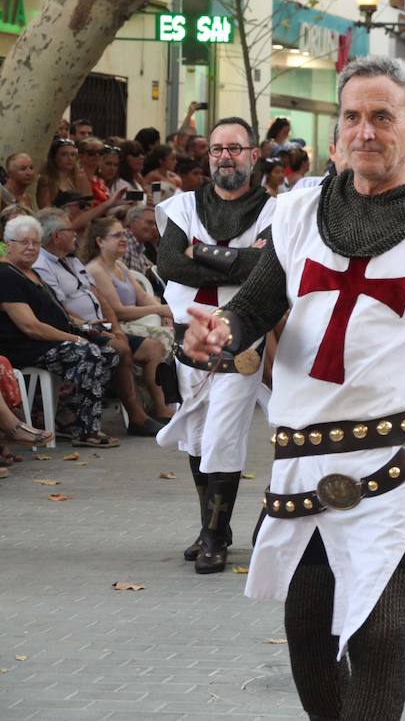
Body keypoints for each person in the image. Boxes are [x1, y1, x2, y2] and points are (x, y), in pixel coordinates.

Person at [181, 55, 405, 721]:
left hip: (393, 461)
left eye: (382, 116)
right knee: (307, 632)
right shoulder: (297, 212)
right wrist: (215, 333)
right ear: (336, 128)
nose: (364, 132)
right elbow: (253, 307)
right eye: (351, 117)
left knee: (377, 632)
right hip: (301, 459)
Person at [154, 118, 275, 574]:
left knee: (224, 433)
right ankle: (213, 526)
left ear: (253, 154)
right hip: (190, 335)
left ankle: (214, 538)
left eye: (235, 148)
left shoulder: (275, 212)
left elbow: (266, 268)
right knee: (198, 434)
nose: (226, 156)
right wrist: (235, 263)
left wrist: (199, 252)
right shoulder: (183, 206)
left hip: (243, 335)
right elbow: (169, 264)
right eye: (218, 149)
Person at [33, 208, 168, 437]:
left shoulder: (73, 261)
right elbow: (58, 307)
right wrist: (89, 326)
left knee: (153, 347)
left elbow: (100, 297)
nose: (77, 234)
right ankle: (136, 416)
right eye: (71, 230)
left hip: (101, 326)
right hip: (76, 329)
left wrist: (115, 328)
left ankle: (163, 410)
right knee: (120, 348)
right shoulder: (42, 266)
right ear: (56, 236)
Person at [0, 215, 121, 447]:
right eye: (24, 242)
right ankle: (86, 431)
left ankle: (67, 414)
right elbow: (30, 327)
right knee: (89, 354)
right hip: (26, 346)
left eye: (35, 242)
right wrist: (74, 338)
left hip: (51, 342)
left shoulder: (32, 273)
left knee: (109, 354)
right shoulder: (5, 275)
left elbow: (58, 312)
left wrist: (83, 326)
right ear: (8, 245)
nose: (31, 247)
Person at [79, 215, 175, 395]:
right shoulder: (96, 269)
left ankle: (175, 397)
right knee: (168, 337)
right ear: (100, 241)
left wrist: (165, 315)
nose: (124, 239)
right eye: (117, 236)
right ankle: (162, 399)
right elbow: (119, 312)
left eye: (124, 234)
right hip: (118, 326)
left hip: (137, 322)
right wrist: (160, 309)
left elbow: (143, 296)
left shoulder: (120, 265)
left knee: (177, 330)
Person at [36, 138, 87, 209]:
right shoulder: (47, 181)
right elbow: (45, 211)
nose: (70, 158)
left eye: (73, 155)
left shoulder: (76, 178)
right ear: (54, 157)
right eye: (64, 154)